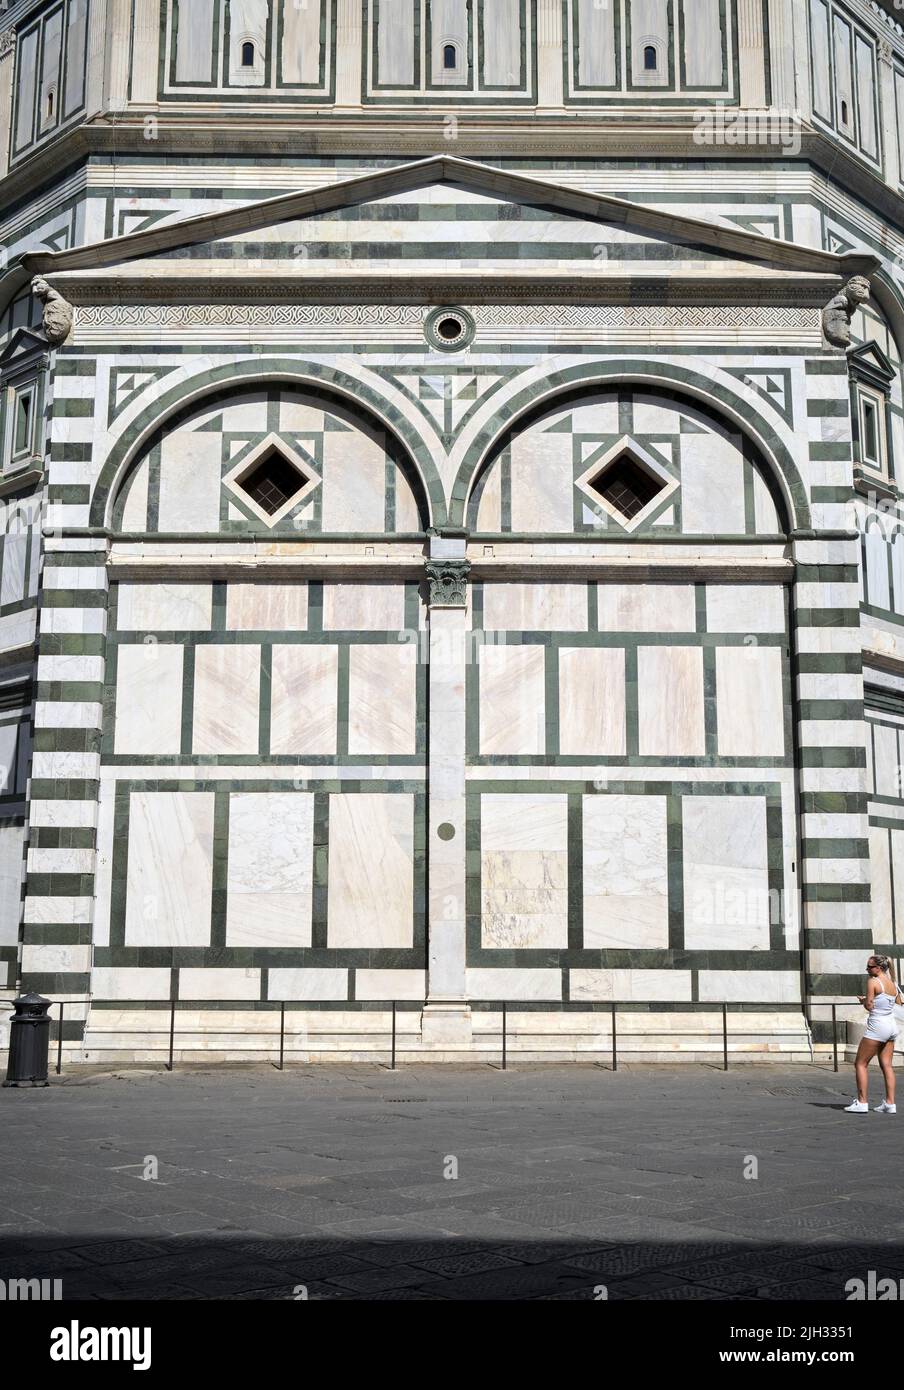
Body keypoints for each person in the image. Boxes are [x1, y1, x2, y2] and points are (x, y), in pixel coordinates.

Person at [844, 955, 902, 1113]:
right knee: (887, 1065)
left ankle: (862, 1102)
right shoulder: (892, 983)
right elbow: (897, 1003)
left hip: (878, 1026)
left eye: (870, 967)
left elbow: (870, 1006)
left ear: (879, 968)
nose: (867, 969)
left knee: (860, 1063)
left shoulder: (873, 982)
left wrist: (864, 1001)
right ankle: (890, 1104)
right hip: (891, 1026)